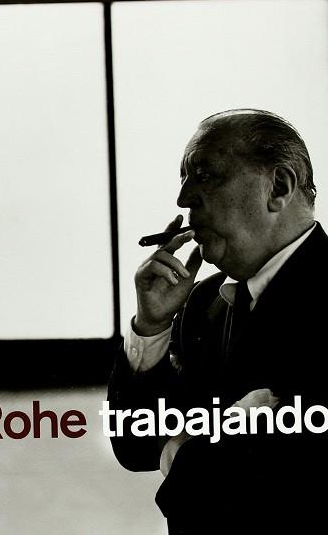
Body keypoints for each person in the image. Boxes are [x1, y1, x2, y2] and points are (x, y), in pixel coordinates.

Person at [108, 109, 328, 534]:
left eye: (204, 175)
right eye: (183, 179)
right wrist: (151, 327)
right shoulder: (203, 302)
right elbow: (136, 445)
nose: (183, 199)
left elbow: (278, 490)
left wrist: (181, 450)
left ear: (278, 188)